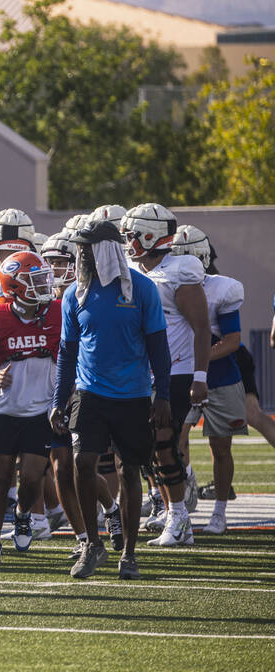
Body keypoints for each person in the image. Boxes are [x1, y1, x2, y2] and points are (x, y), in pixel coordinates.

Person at [52, 219, 170, 580]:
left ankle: (130, 554)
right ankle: (93, 544)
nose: (80, 255)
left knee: (129, 470)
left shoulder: (142, 290)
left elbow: (159, 348)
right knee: (82, 463)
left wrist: (161, 394)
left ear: (103, 250)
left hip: (132, 395)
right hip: (89, 394)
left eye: (85, 249)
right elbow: (67, 352)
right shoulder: (75, 294)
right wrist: (59, 399)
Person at [121, 203, 207, 548]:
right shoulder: (131, 269)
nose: (127, 242)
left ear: (150, 235)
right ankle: (173, 512)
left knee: (164, 445)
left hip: (177, 371)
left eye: (132, 235)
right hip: (142, 372)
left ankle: (179, 517)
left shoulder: (179, 271)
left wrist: (200, 376)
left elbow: (202, 328)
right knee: (149, 450)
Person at [0, 251, 59, 565]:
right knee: (1, 477)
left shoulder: (57, 313)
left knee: (32, 478)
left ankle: (22, 514)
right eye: (36, 280)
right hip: (7, 410)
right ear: (15, 287)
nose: (45, 284)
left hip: (41, 409)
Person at [41, 231, 123, 560]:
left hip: (83, 388)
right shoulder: (35, 300)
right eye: (51, 263)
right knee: (60, 467)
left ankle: (111, 508)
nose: (57, 269)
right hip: (44, 391)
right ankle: (83, 536)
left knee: (77, 463)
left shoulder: (86, 295)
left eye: (63, 262)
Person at [170, 225, 246, 534]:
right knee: (171, 441)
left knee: (220, 447)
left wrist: (197, 361)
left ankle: (219, 511)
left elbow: (232, 340)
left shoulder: (221, 289)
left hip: (221, 377)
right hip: (179, 377)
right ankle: (179, 494)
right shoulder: (162, 284)